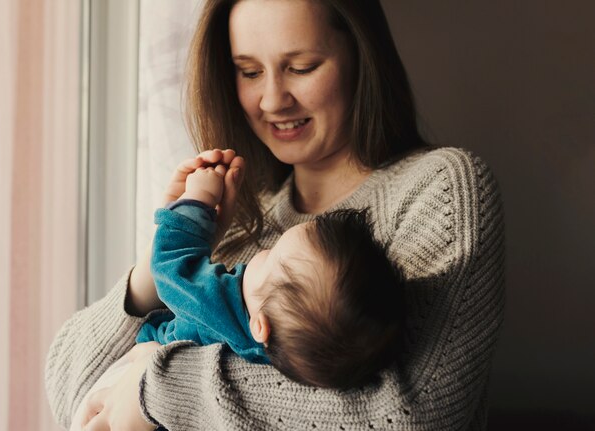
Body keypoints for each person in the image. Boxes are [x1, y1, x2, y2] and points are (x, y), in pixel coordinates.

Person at [46, 0, 505, 430]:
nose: (271, 100)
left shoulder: (439, 187)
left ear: (360, 55)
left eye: (300, 67)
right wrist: (155, 265)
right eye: (248, 71)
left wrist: (159, 382)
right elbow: (69, 383)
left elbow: (407, 413)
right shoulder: (238, 218)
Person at [139, 153, 405, 389]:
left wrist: (198, 200)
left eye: (271, 257)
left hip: (145, 362)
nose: (262, 251)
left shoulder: (219, 305)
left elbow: (170, 265)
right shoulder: (284, 355)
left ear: (260, 326)